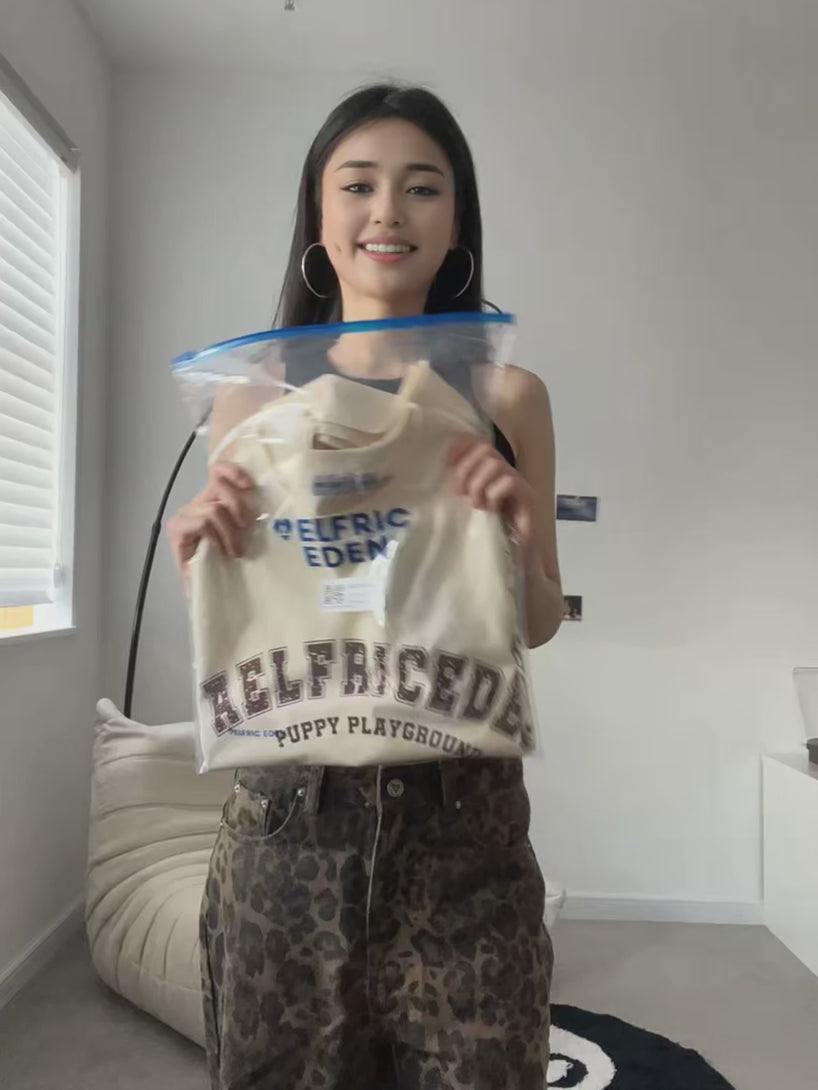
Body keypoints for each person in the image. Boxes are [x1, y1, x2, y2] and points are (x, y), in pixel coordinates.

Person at [167, 83, 564, 1090]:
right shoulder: (250, 403)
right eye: (358, 185)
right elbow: (249, 621)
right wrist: (200, 554)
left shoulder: (506, 395)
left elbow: (536, 625)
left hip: (464, 835)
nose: (388, 211)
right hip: (286, 832)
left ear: (457, 221)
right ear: (318, 214)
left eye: (421, 187)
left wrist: (519, 536)